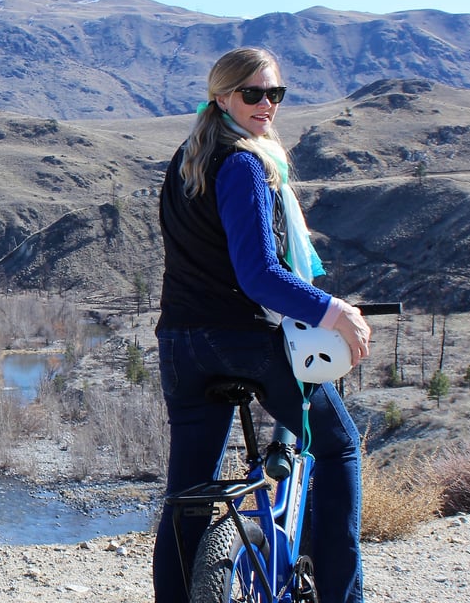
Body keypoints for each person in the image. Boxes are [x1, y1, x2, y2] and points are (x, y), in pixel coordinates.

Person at [151, 47, 372, 603]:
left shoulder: (187, 159)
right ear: (221, 97)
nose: (266, 105)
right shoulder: (245, 163)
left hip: (181, 344)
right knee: (339, 445)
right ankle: (342, 597)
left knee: (190, 494)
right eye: (253, 93)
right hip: (244, 340)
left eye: (276, 94)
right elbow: (261, 277)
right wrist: (336, 312)